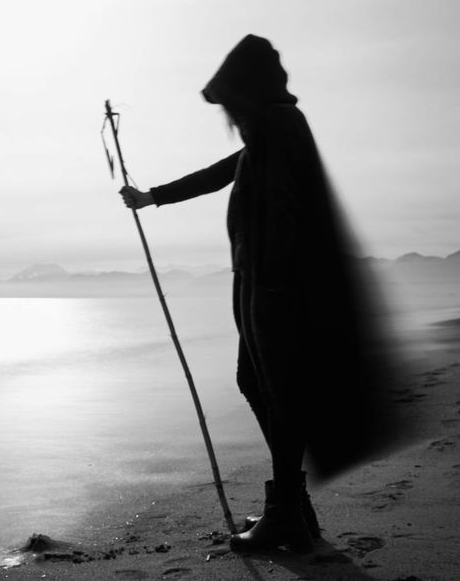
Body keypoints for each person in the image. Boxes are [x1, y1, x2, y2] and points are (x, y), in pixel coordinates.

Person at [120, 35, 401, 553]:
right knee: (262, 386)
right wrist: (152, 196)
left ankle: (288, 514)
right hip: (266, 288)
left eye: (229, 101)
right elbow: (221, 173)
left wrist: (270, 288)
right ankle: (292, 508)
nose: (226, 112)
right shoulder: (271, 128)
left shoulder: (277, 125)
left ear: (246, 93)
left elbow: (287, 214)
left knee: (274, 391)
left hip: (277, 292)